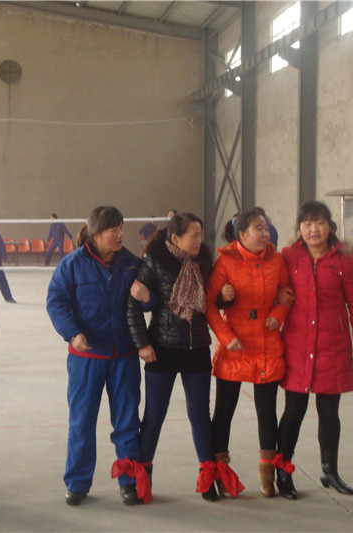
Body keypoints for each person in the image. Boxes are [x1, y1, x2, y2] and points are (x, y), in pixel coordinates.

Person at [126, 213, 240, 503]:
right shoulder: (154, 258)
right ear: (175, 238)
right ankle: (143, 477)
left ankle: (207, 476)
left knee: (200, 416)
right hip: (162, 349)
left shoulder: (203, 260)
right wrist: (142, 343)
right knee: (154, 416)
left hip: (197, 348)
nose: (199, 240)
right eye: (194, 235)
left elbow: (209, 300)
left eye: (200, 234)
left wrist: (225, 298)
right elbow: (132, 303)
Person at [46, 206, 147, 507]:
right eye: (112, 229)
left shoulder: (132, 264)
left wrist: (148, 298)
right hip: (86, 357)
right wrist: (72, 333)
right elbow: (56, 302)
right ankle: (77, 483)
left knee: (127, 422)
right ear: (95, 233)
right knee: (82, 421)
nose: (119, 234)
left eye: (121, 228)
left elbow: (151, 298)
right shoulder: (72, 264)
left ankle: (129, 481)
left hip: (124, 356)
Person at [278, 201, 353, 499]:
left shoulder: (345, 259)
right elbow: (274, 288)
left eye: (319, 223)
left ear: (330, 226)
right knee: (294, 410)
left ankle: (330, 470)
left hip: (332, 345)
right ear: (299, 228)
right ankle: (283, 470)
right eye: (307, 224)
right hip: (297, 344)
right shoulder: (289, 256)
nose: (313, 229)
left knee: (329, 412)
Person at [205, 207, 291, 498]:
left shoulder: (276, 260)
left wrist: (277, 315)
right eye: (258, 229)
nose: (265, 234)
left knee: (266, 411)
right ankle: (220, 470)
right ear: (242, 234)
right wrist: (226, 337)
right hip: (236, 343)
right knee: (224, 411)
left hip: (266, 341)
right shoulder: (225, 262)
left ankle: (268, 472)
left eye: (266, 228)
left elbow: (287, 293)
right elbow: (209, 304)